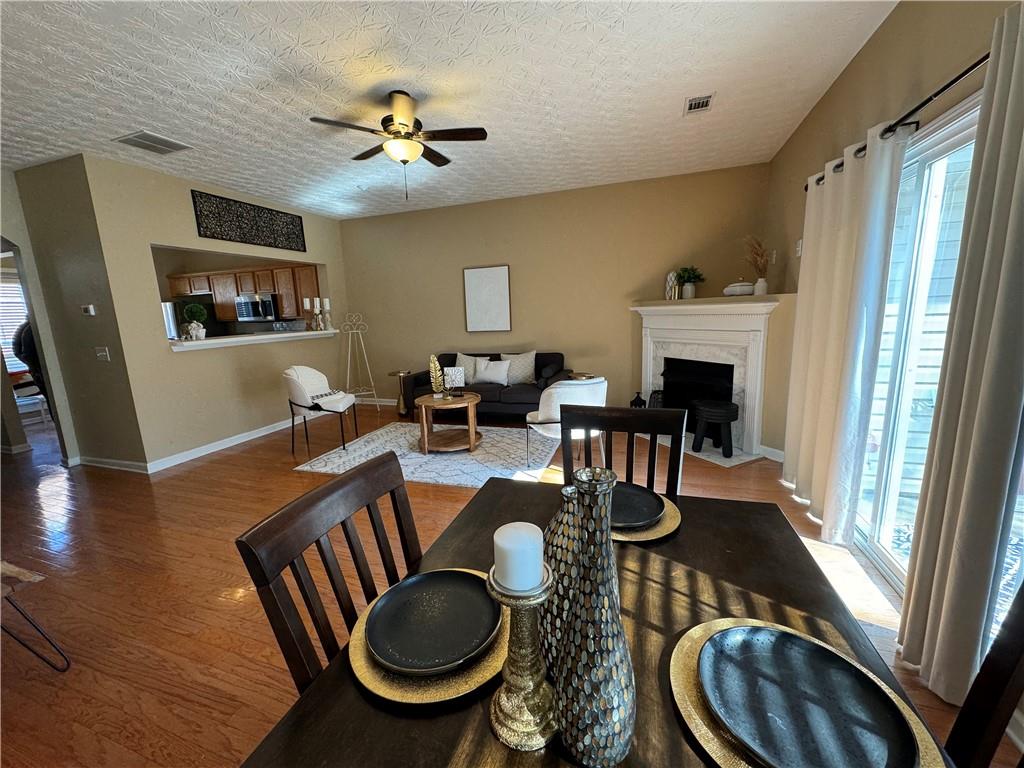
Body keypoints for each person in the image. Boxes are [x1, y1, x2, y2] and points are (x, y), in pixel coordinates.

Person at [12, 320, 49, 412]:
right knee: (52, 400)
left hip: (37, 372)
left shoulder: (27, 328)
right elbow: (23, 354)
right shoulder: (30, 329)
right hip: (40, 373)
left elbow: (18, 352)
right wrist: (37, 366)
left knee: (51, 400)